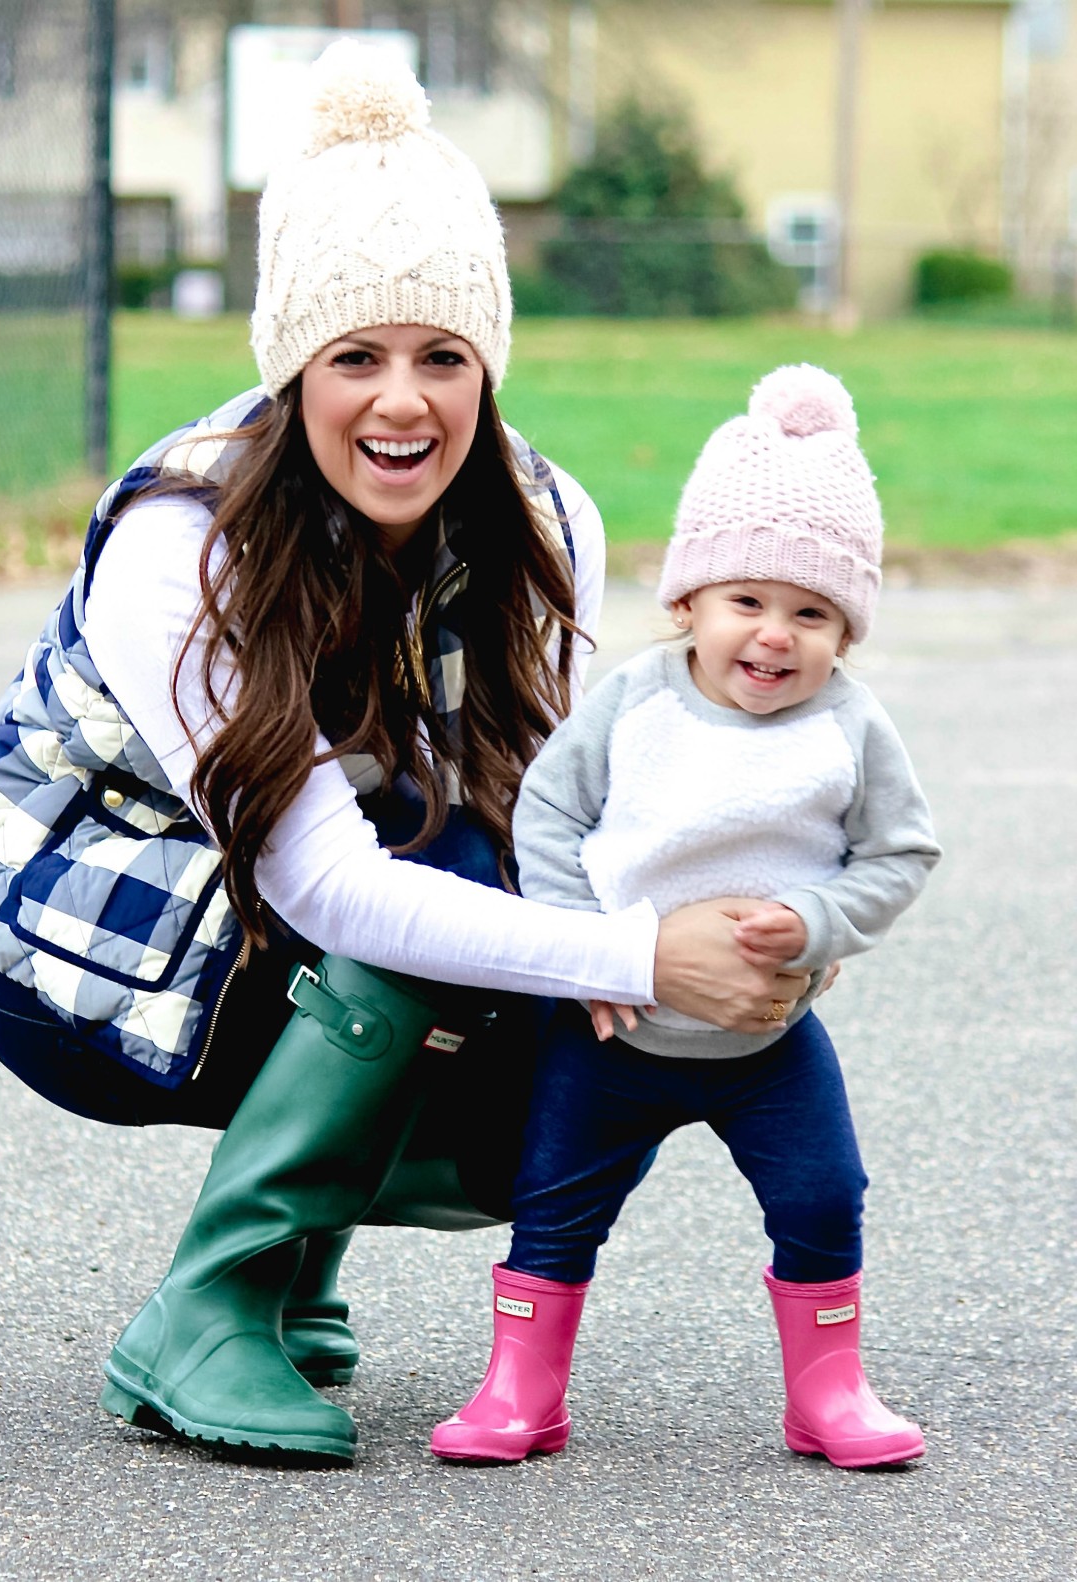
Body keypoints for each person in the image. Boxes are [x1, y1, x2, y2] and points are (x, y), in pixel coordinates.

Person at [0, 43, 811, 1465]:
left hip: (285, 921)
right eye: (357, 357)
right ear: (294, 365)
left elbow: (568, 812)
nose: (404, 402)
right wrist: (641, 955)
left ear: (488, 366)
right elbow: (334, 888)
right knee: (433, 902)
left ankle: (290, 1269)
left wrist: (748, 928)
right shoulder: (182, 541)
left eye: (443, 355)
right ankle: (204, 1307)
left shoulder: (543, 519)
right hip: (77, 940)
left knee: (562, 1050)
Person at [432, 364, 942, 1471]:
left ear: (844, 634)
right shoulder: (635, 702)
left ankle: (829, 1392)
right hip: (612, 1029)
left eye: (812, 613)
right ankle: (522, 1388)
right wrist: (585, 952)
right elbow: (548, 815)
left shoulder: (850, 728)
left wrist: (817, 918)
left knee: (824, 1192)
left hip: (766, 1040)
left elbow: (901, 852)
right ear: (688, 603)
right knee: (556, 1204)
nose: (774, 636)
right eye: (748, 601)